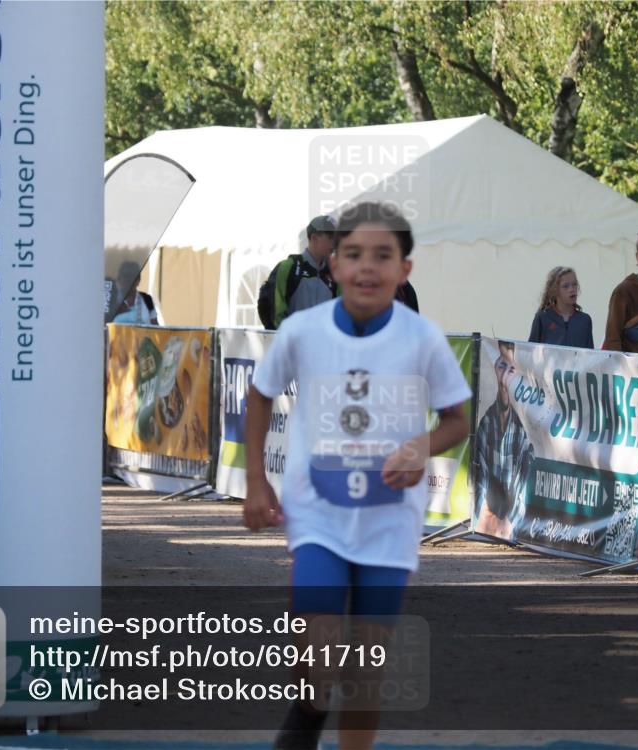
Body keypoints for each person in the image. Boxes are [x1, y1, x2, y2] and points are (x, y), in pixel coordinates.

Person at [243, 202, 470, 750]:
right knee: (315, 649)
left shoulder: (423, 340)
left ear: (404, 270)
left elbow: (458, 420)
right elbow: (258, 394)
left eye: (382, 256)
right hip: (317, 510)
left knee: (368, 670)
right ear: (334, 266)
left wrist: (421, 446)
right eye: (354, 254)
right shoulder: (302, 331)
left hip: (389, 522)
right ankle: (308, 709)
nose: (367, 267)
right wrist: (256, 480)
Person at [473, 341, 535, 539]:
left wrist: (510, 522)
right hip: (486, 523)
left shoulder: (521, 432)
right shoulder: (485, 424)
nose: (505, 377)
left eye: (512, 369)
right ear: (495, 367)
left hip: (508, 525)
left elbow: (522, 488)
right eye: (502, 366)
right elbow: (479, 479)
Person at [259, 215, 339, 329]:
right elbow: (276, 314)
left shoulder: (336, 274)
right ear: (314, 238)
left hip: (324, 345)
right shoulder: (288, 267)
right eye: (331, 237)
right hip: (293, 344)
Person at [527, 266, 593, 348]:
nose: (572, 289)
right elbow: (530, 351)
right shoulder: (542, 317)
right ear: (555, 290)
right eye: (566, 286)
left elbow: (590, 354)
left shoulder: (585, 320)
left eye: (574, 284)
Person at [111, 261, 159, 325]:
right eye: (126, 275)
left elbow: (155, 328)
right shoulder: (111, 300)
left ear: (139, 280)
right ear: (119, 279)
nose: (130, 279)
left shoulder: (147, 299)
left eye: (133, 276)